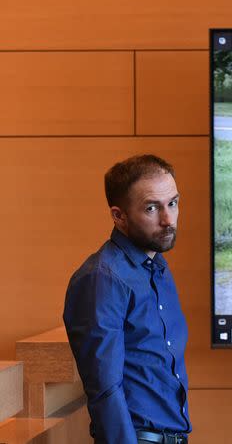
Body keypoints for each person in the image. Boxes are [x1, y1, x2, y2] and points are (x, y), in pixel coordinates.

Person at [63, 155, 191, 444]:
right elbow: (104, 387)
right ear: (119, 216)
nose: (168, 219)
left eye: (173, 203)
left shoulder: (156, 267)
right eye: (151, 208)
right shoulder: (102, 278)